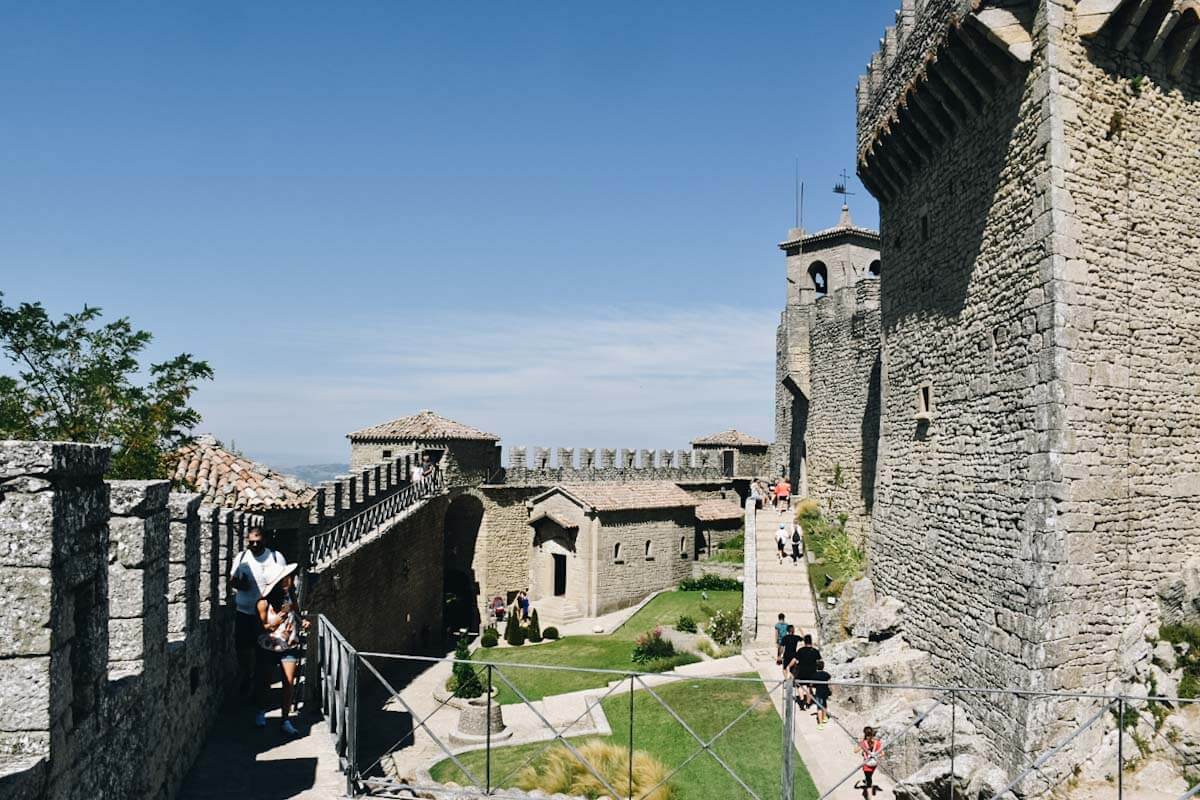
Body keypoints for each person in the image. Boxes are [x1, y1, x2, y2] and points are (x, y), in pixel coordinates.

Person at [229, 527, 285, 703]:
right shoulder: (242, 558)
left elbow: (285, 583)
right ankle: (249, 677)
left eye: (257, 541)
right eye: (251, 541)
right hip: (244, 613)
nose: (254, 544)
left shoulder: (276, 558)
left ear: (265, 540)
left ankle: (260, 693)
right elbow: (232, 580)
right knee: (243, 650)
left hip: (267, 616)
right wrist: (241, 584)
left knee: (264, 654)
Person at [256, 562, 309, 735]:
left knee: (288, 682)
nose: (291, 579)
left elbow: (295, 613)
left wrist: (303, 622)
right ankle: (261, 712)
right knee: (266, 682)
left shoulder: (289, 597)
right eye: (287, 577)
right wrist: (276, 622)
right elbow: (262, 627)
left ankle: (285, 720)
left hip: (289, 646)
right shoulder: (263, 603)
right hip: (269, 647)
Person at [789, 634, 822, 710]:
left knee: (799, 686)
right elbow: (820, 662)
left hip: (801, 671)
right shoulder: (815, 651)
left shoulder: (801, 650)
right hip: (811, 672)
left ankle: (801, 701)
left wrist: (789, 666)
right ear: (811, 641)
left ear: (804, 642)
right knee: (809, 688)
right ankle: (807, 703)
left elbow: (795, 660)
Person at [856, 726, 883, 797]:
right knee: (869, 778)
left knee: (869, 778)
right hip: (871, 764)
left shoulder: (864, 743)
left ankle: (868, 793)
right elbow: (882, 754)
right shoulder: (877, 743)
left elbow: (855, 751)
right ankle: (869, 793)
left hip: (869, 764)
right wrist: (875, 756)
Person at [811, 659, 832, 728]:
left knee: (819, 707)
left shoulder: (815, 675)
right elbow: (829, 679)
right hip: (825, 691)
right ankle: (824, 718)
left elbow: (812, 684)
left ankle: (820, 723)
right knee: (824, 704)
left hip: (819, 692)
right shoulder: (826, 674)